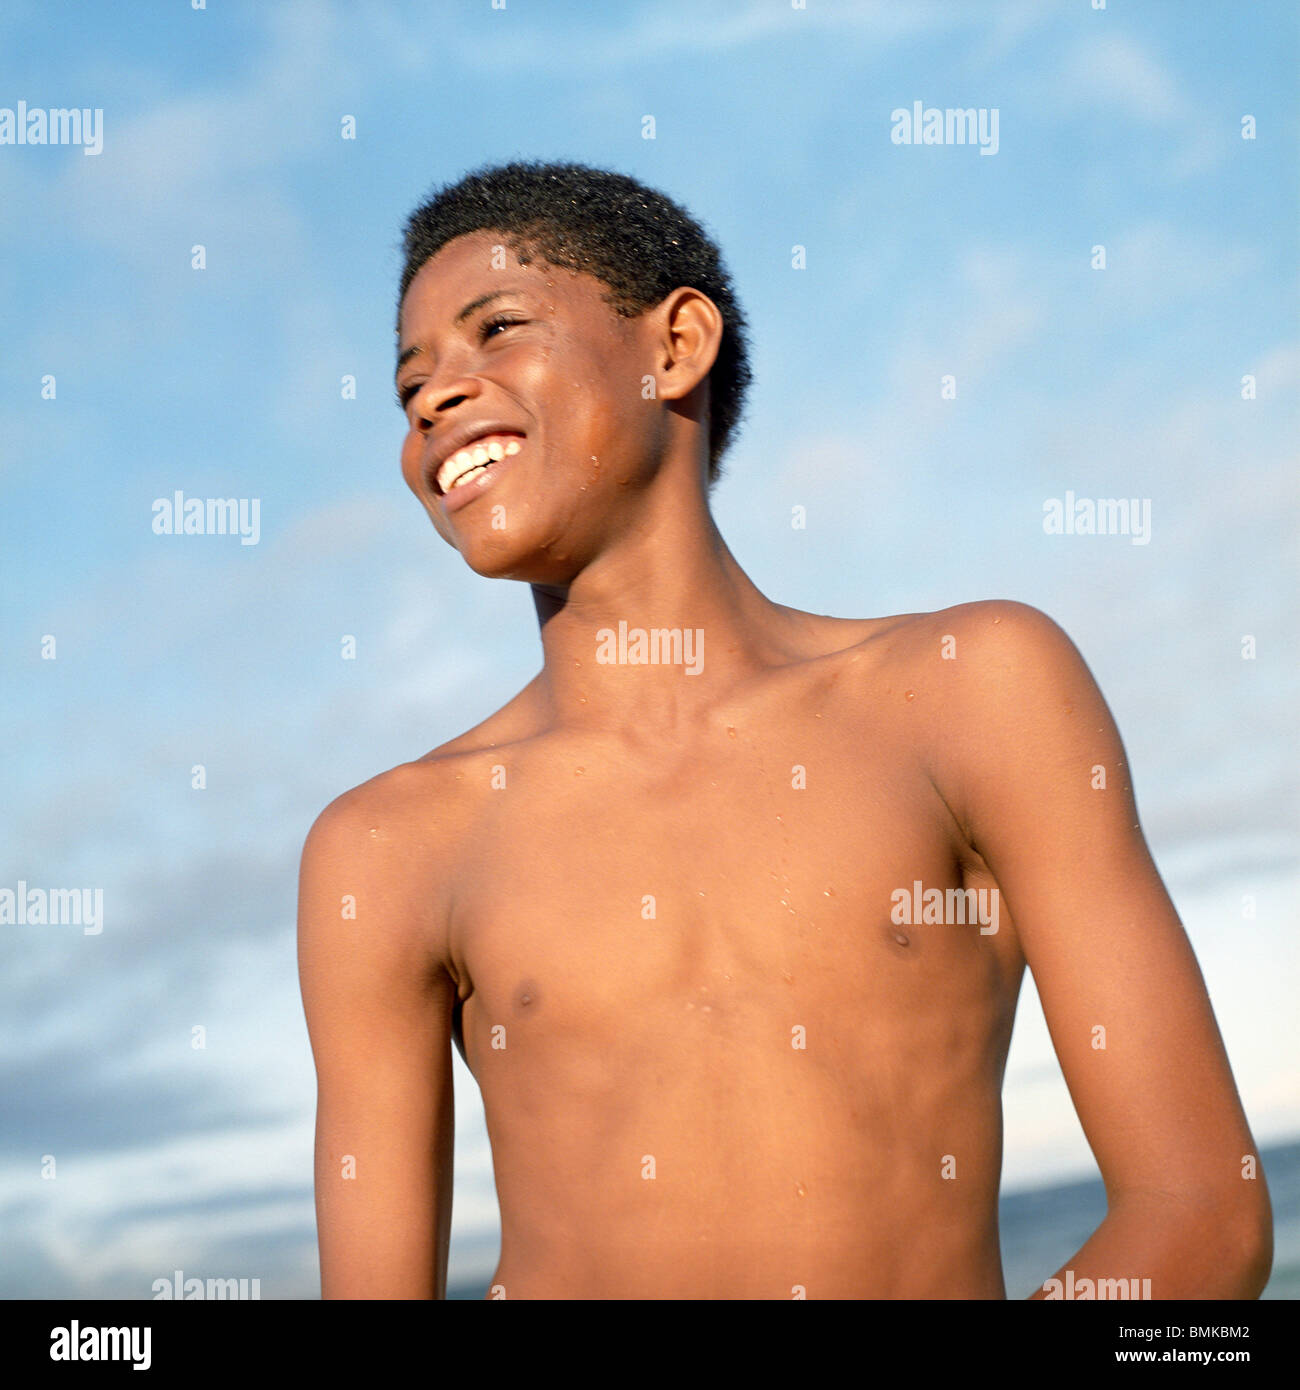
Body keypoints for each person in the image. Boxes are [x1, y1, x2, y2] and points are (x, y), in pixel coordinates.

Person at [297, 160, 1272, 1300]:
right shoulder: (385, 846)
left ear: (675, 347)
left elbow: (1200, 1214)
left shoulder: (970, 689)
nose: (434, 397)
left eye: (496, 330)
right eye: (410, 382)